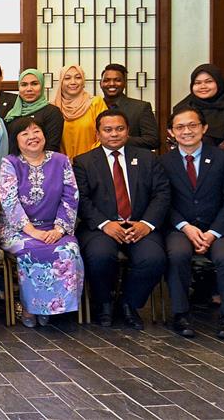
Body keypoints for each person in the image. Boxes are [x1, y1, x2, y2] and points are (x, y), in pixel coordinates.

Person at [73, 110, 170, 329]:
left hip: (140, 225)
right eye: (108, 130)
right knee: (99, 256)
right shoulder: (83, 162)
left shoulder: (148, 158)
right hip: (100, 228)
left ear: (128, 131)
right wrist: (105, 224)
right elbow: (81, 199)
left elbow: (162, 194)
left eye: (119, 129)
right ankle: (104, 304)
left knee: (153, 258)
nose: (114, 134)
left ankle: (129, 303)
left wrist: (146, 224)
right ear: (98, 134)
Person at [160, 107, 224, 340]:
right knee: (177, 255)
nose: (186, 131)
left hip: (218, 229)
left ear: (204, 128)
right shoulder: (163, 162)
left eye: (192, 125)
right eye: (180, 127)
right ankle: (180, 314)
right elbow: (162, 202)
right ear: (171, 132)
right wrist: (185, 226)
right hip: (180, 228)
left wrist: (213, 232)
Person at [0, 117, 83, 327]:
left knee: (69, 250)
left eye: (36, 131)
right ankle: (30, 307)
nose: (32, 137)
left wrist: (59, 229)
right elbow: (9, 201)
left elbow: (71, 196)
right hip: (17, 229)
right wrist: (31, 231)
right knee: (32, 249)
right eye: (25, 133)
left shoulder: (61, 160)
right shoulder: (10, 163)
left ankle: (51, 308)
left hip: (55, 227)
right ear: (16, 139)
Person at [172, 64, 224, 159]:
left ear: (219, 83)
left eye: (208, 81)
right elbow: (174, 139)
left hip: (223, 163)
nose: (203, 86)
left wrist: (206, 163)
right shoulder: (183, 107)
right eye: (197, 83)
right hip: (185, 162)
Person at [99, 63, 160, 151]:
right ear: (100, 84)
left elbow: (153, 140)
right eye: (106, 80)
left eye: (117, 80)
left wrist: (122, 139)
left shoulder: (140, 108)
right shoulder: (94, 106)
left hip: (131, 157)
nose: (111, 84)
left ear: (125, 83)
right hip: (97, 157)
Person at [53, 65, 107, 159]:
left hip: (91, 161)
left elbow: (105, 134)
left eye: (78, 77)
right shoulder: (53, 107)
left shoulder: (96, 103)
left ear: (83, 81)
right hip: (61, 164)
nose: (73, 82)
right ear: (61, 82)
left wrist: (86, 160)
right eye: (67, 78)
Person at [4, 69, 64, 154]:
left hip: (43, 161)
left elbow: (52, 147)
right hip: (13, 160)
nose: (29, 89)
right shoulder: (12, 113)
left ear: (42, 86)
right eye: (24, 85)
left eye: (34, 84)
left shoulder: (52, 112)